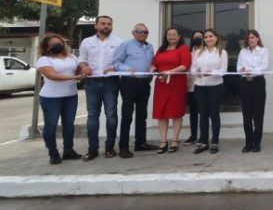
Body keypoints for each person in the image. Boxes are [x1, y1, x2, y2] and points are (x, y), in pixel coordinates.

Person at [78, 15, 123, 161]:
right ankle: (92, 149)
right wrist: (84, 67)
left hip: (111, 82)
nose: (106, 26)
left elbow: (122, 61)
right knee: (92, 115)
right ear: (96, 25)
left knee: (111, 115)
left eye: (109, 24)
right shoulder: (87, 42)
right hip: (92, 82)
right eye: (103, 23)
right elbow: (82, 60)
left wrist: (115, 68)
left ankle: (110, 148)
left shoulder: (119, 42)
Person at [35, 34, 84, 165]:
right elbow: (52, 76)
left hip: (70, 96)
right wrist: (75, 77)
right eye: (53, 44)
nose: (58, 46)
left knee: (69, 125)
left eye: (60, 43)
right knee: (51, 126)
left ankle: (68, 151)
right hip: (51, 98)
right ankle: (53, 154)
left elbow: (79, 69)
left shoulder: (72, 57)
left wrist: (84, 70)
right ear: (46, 47)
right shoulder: (44, 60)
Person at [112, 23, 158, 158]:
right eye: (139, 31)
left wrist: (152, 71)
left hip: (144, 83)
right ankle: (123, 146)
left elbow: (151, 63)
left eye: (145, 32)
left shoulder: (150, 47)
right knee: (127, 115)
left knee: (142, 114)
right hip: (129, 83)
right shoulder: (126, 45)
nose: (143, 34)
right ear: (133, 33)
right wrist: (127, 69)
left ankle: (141, 143)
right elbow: (116, 63)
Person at [150, 27, 192, 154]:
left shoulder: (183, 49)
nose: (171, 36)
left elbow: (185, 65)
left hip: (177, 82)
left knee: (175, 111)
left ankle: (175, 140)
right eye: (169, 34)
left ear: (179, 37)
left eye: (174, 34)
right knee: (161, 111)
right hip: (161, 83)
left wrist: (169, 72)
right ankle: (163, 141)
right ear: (166, 37)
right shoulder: (161, 50)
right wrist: (154, 69)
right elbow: (153, 63)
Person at [191, 29, 228, 154]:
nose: (208, 39)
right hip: (199, 86)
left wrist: (210, 72)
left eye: (210, 36)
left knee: (214, 113)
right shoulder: (198, 52)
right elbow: (192, 69)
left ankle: (215, 142)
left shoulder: (222, 52)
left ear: (216, 38)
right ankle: (203, 142)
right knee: (203, 114)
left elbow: (223, 71)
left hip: (215, 87)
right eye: (206, 37)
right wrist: (196, 73)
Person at [237, 29, 268, 153]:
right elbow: (239, 67)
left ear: (258, 38)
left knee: (258, 114)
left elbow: (263, 67)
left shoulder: (263, 51)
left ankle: (257, 142)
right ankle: (248, 142)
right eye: (249, 38)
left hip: (258, 83)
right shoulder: (243, 51)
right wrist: (243, 70)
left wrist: (251, 71)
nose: (250, 40)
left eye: (253, 37)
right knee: (246, 115)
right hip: (245, 83)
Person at [185, 30, 204, 145]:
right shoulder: (188, 52)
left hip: (203, 84)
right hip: (190, 85)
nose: (198, 39)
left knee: (203, 112)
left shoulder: (206, 52)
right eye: (195, 37)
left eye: (200, 37)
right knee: (193, 112)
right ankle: (193, 135)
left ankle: (203, 136)